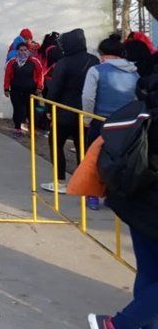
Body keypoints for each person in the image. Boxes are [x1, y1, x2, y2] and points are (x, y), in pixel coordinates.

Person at [87, 74, 158, 329]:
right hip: (148, 202)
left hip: (136, 199)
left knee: (150, 271)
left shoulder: (146, 97)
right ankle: (118, 325)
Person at [81, 36, 139, 209]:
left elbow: (88, 97)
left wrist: (87, 118)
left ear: (103, 54)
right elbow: (137, 98)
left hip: (101, 122)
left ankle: (92, 196)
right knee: (120, 161)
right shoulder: (134, 73)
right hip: (127, 124)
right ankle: (113, 196)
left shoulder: (96, 70)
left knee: (95, 159)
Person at [41, 28, 99, 194]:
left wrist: (48, 108)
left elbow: (55, 89)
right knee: (83, 147)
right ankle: (84, 182)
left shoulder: (64, 63)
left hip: (64, 113)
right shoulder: (94, 60)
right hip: (87, 113)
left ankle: (60, 181)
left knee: (56, 145)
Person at [4, 41, 44, 136]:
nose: (23, 52)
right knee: (18, 110)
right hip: (16, 91)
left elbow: (40, 74)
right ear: (17, 51)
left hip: (31, 91)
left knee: (31, 110)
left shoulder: (34, 61)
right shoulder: (12, 62)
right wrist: (6, 89)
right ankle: (17, 129)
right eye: (21, 50)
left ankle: (32, 129)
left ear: (28, 50)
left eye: (25, 50)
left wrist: (39, 86)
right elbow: (7, 76)